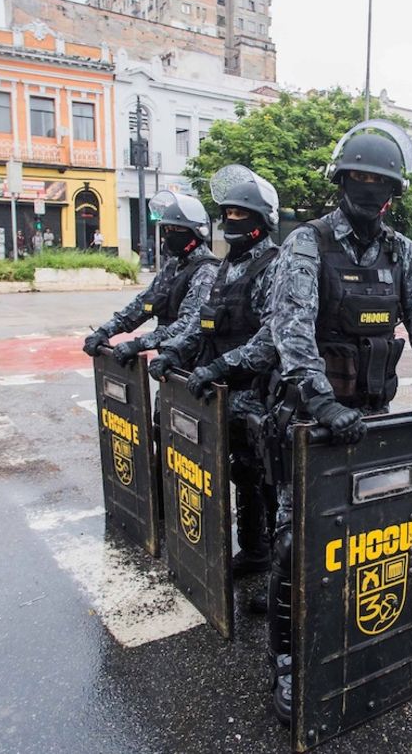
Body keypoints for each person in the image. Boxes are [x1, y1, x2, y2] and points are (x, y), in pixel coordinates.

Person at [258, 120, 412, 726]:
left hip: (369, 420)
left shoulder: (400, 251)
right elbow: (291, 331)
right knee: (297, 543)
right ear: (341, 182)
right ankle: (289, 660)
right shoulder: (306, 245)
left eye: (381, 182)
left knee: (367, 535)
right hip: (310, 423)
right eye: (359, 178)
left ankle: (354, 633)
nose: (370, 190)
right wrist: (321, 404)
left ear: (393, 191)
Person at [148, 167, 282, 582]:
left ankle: (269, 555)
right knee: (233, 470)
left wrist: (220, 367)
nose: (230, 222)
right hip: (221, 391)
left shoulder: (274, 267)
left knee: (263, 477)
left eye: (240, 214)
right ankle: (252, 547)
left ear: (262, 221)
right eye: (225, 214)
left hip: (257, 392)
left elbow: (271, 337)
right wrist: (173, 353)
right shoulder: (226, 267)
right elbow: (197, 323)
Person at [82, 191, 219, 364]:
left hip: (196, 363)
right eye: (168, 229)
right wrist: (104, 331)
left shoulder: (207, 270)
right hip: (167, 361)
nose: (170, 235)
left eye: (177, 229)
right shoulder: (172, 266)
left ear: (197, 231)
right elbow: (142, 303)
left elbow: (188, 324)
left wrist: (139, 343)